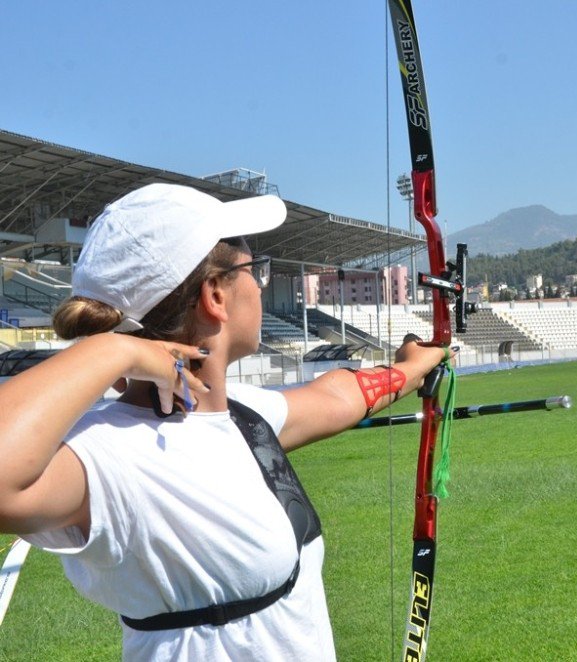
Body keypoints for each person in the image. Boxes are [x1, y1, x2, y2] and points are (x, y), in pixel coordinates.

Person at [0, 183, 446, 660]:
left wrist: (411, 367)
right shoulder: (108, 452)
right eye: (255, 271)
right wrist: (115, 350)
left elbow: (333, 397)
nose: (259, 283)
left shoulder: (239, 414)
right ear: (215, 295)